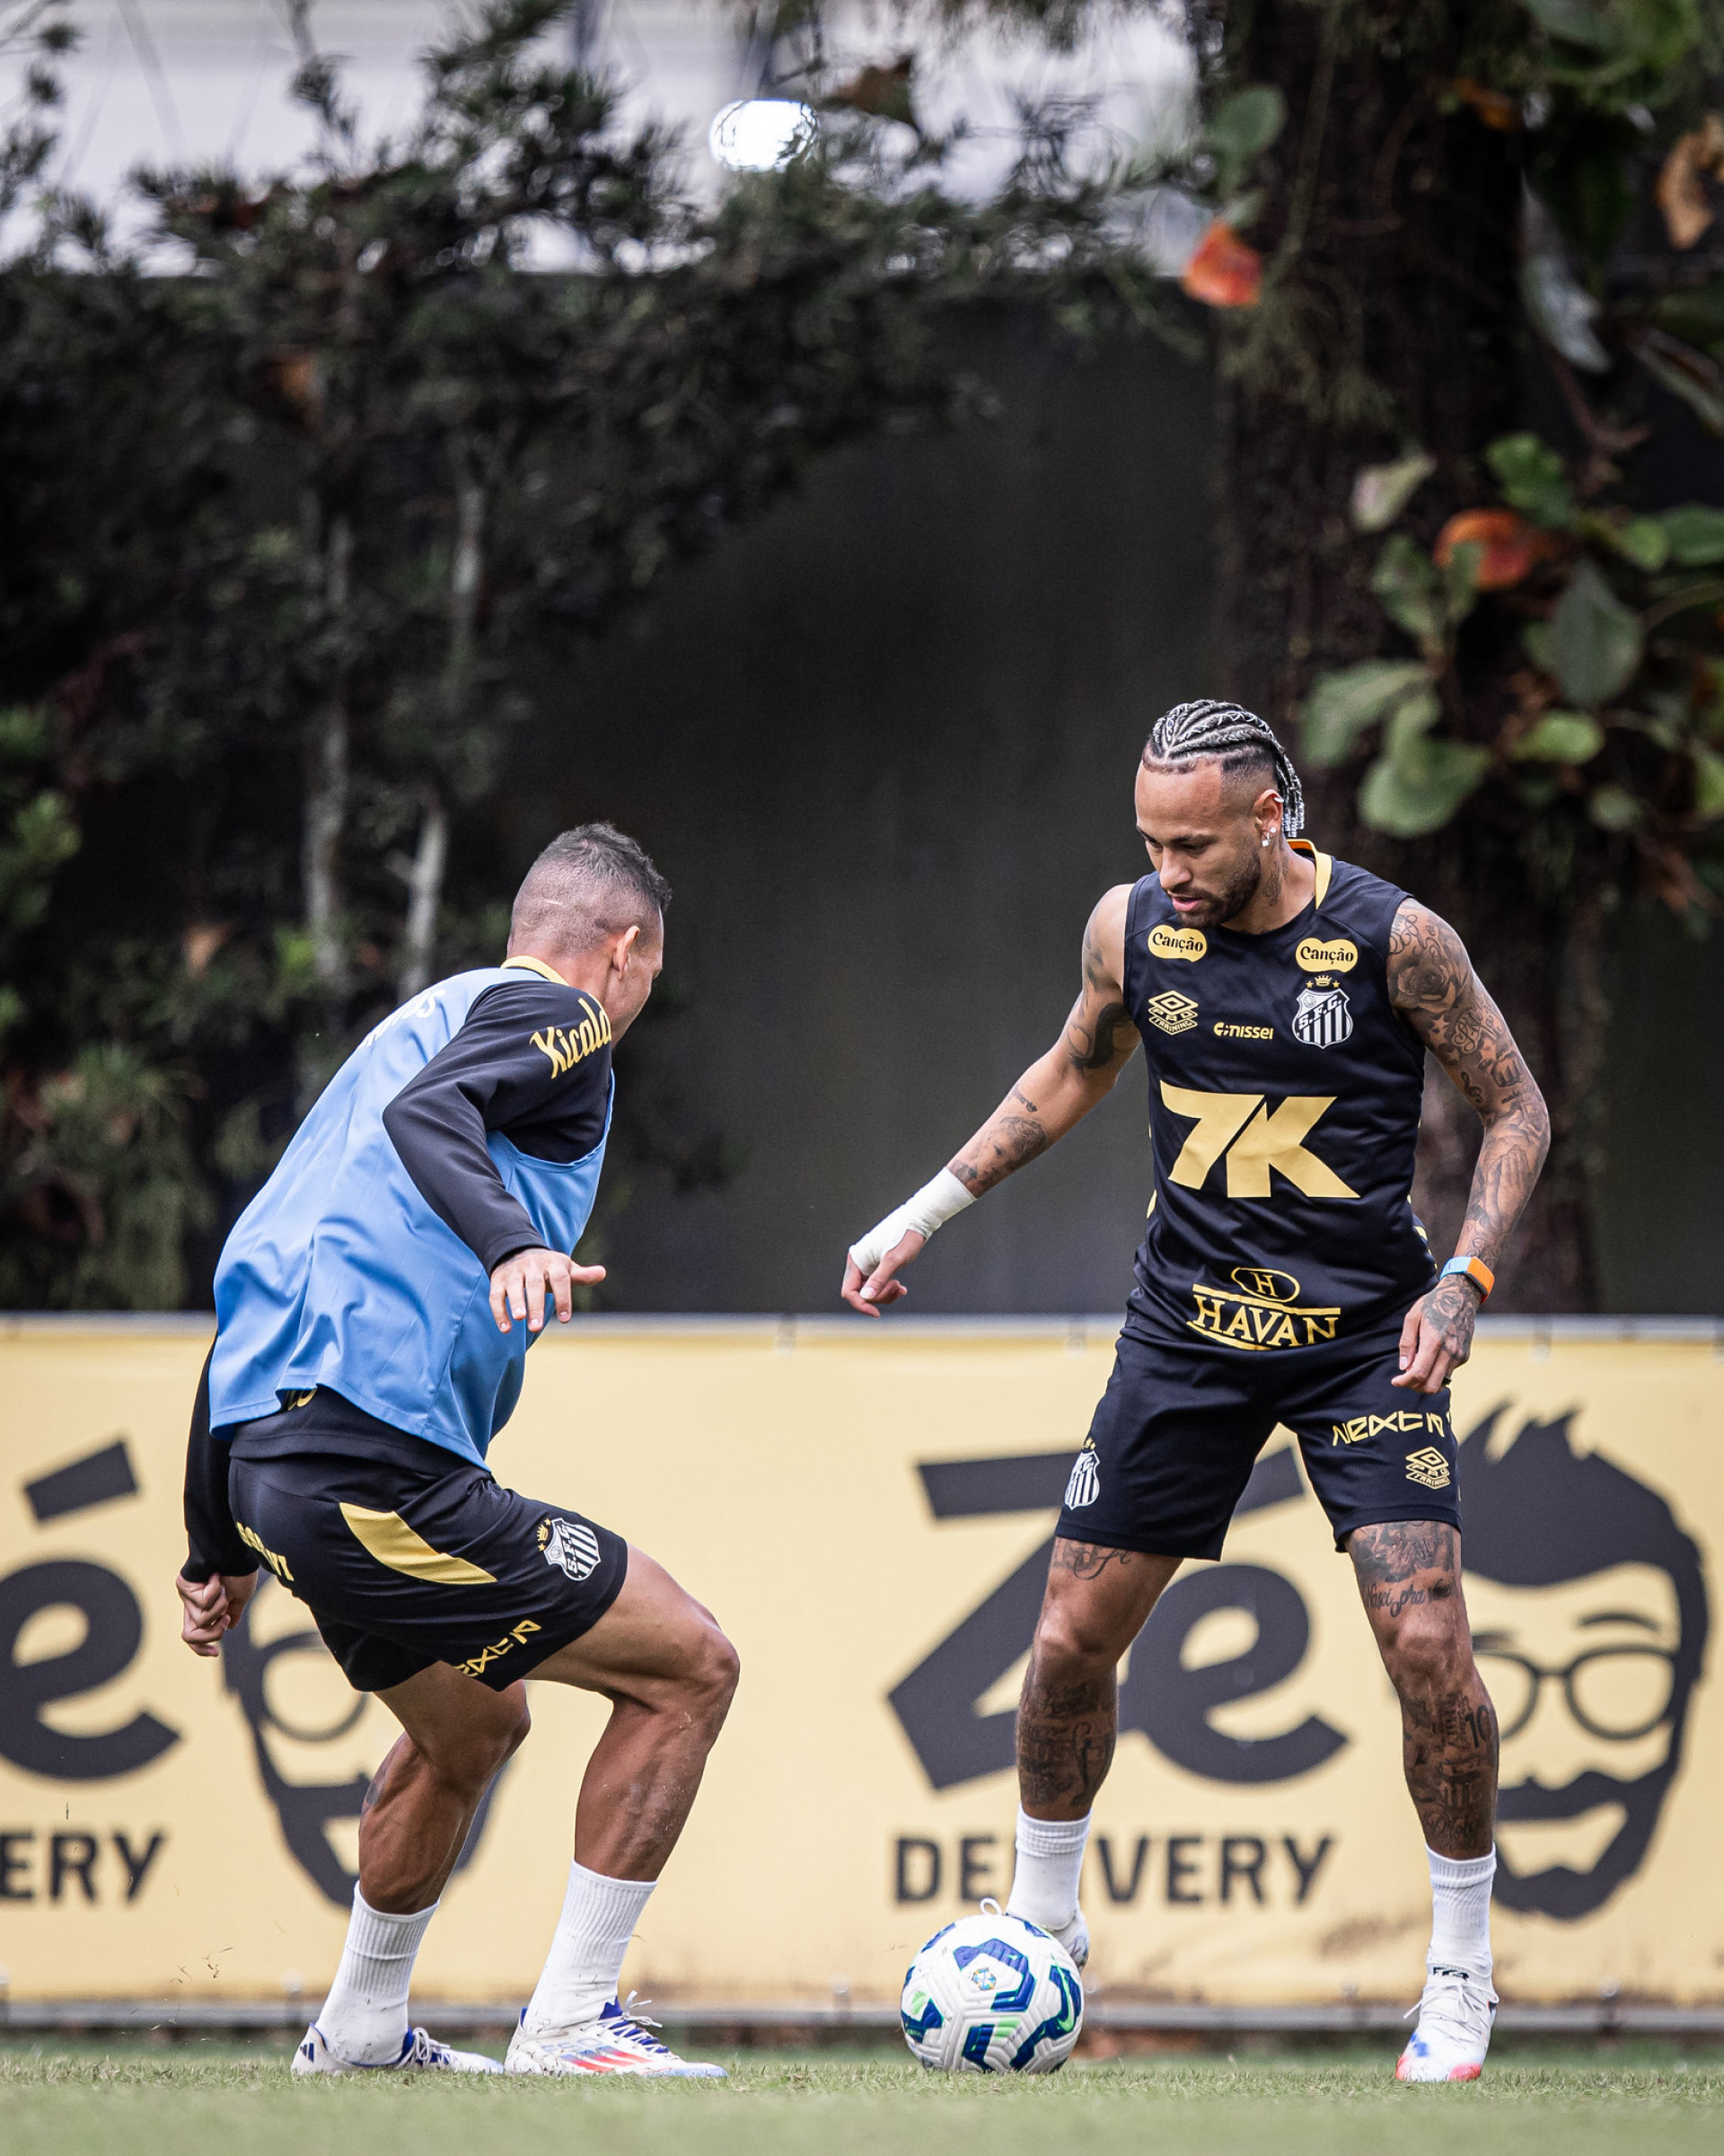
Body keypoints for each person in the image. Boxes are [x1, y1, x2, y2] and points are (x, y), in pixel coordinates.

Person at [841, 702, 1551, 2083]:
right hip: (1187, 1333)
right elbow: (1070, 1072)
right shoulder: (1129, 929)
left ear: (1272, 816)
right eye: (1149, 840)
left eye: (1193, 842)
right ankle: (1045, 1922)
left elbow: (1518, 1107)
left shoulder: (1394, 940)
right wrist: (920, 1213)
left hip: (1365, 1341)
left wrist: (1463, 1275)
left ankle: (1461, 1977)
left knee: (1428, 1652)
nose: (1167, 866)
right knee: (1062, 1645)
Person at [176, 823, 738, 2081]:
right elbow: (448, 1117)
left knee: (473, 1724)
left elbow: (247, 1293)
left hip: (277, 1464)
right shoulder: (564, 1021)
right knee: (691, 1664)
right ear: (626, 951)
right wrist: (509, 1244)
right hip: (372, 1469)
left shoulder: (403, 1036)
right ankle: (574, 2022)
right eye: (644, 974)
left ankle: (363, 2029)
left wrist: (216, 1536)